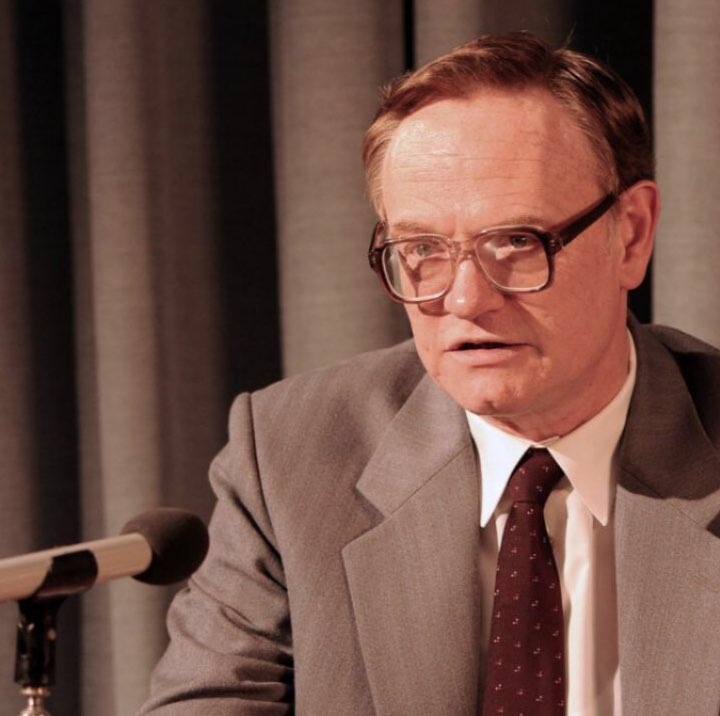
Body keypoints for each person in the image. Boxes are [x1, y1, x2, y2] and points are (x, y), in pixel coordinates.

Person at [139, 33, 720, 715]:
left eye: (516, 241)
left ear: (632, 234)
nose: (466, 300)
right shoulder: (291, 458)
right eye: (422, 249)